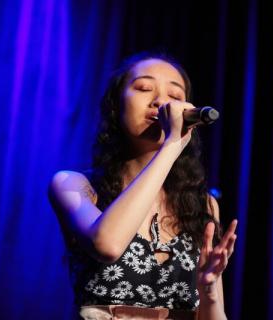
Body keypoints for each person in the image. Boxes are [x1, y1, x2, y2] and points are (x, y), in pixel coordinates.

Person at [48, 52, 237, 320]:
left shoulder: (203, 205)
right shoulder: (74, 185)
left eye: (175, 95)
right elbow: (108, 245)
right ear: (116, 105)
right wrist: (172, 144)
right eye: (144, 88)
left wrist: (209, 291)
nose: (161, 102)